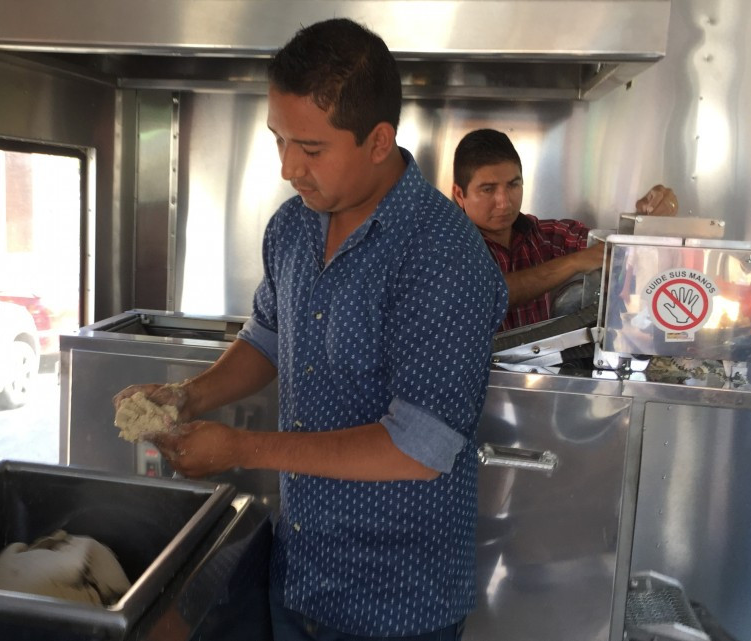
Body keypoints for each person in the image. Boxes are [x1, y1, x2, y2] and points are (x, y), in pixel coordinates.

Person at [113, 18, 507, 641]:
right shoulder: (293, 227)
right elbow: (269, 336)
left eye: (311, 149)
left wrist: (240, 449)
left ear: (379, 141)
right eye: (279, 140)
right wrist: (187, 396)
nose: (288, 167)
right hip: (300, 570)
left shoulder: (442, 254)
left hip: (396, 600)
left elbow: (419, 448)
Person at [450, 128, 678, 331]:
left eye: (513, 185)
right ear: (460, 194)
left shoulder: (542, 235)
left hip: (541, 366)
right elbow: (488, 295)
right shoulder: (448, 247)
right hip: (479, 367)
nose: (504, 202)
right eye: (488, 189)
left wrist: (647, 217)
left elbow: (613, 247)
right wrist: (575, 262)